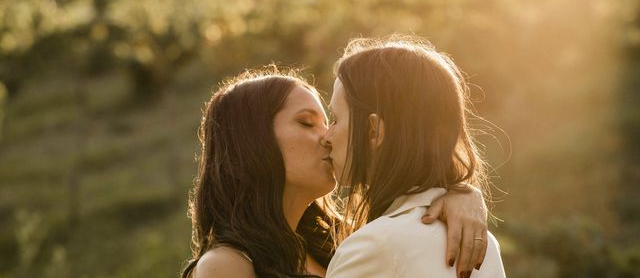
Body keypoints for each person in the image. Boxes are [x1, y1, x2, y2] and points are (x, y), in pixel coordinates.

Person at [182, 66, 489, 278]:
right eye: (306, 123)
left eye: (329, 122)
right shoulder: (226, 265)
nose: (328, 137)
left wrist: (461, 193)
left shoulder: (344, 242)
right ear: (252, 141)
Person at [322, 37, 506, 278]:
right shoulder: (483, 243)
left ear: (374, 130)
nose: (326, 136)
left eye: (335, 120)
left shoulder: (374, 247)